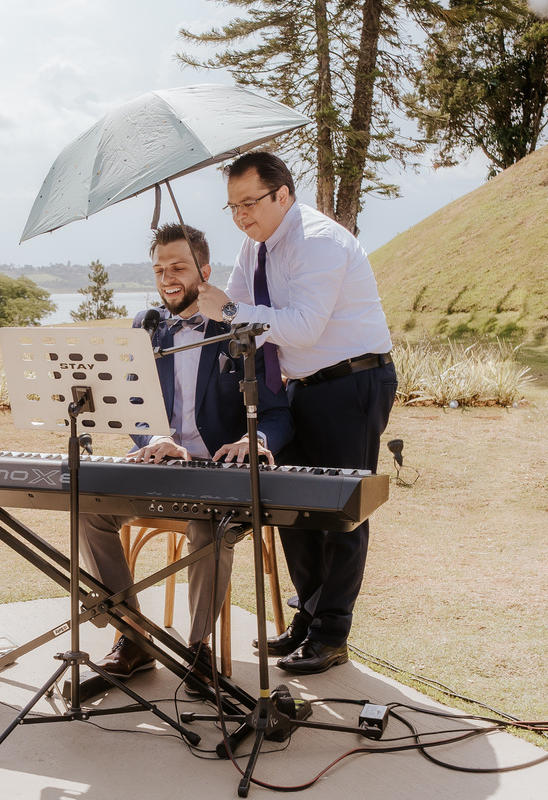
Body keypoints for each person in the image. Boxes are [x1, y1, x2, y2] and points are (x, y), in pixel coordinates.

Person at [195, 151, 398, 675]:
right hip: (298, 389)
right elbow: (234, 314)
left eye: (249, 202)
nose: (241, 215)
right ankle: (308, 615)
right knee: (292, 505)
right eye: (232, 206)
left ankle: (332, 633)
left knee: (340, 508)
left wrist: (230, 310)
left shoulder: (320, 241)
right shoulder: (254, 247)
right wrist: (209, 306)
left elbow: (303, 327)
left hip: (353, 381)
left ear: (283, 193)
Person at [81, 222, 293, 693]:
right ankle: (133, 637)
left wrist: (253, 439)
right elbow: (132, 407)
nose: (167, 278)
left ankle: (198, 650)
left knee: (207, 527)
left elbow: (278, 413)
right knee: (89, 509)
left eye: (178, 267)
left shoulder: (241, 325)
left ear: (205, 271)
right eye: (159, 270)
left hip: (220, 476)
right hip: (159, 468)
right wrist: (155, 437)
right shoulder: (146, 325)